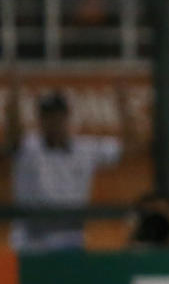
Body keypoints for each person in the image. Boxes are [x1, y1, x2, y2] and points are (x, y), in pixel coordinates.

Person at [5, 90, 132, 254]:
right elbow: (13, 135)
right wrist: (14, 93)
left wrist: (124, 108)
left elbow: (130, 148)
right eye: (48, 117)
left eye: (59, 116)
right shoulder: (27, 148)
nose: (54, 122)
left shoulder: (85, 148)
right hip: (29, 243)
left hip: (69, 241)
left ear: (67, 118)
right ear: (40, 120)